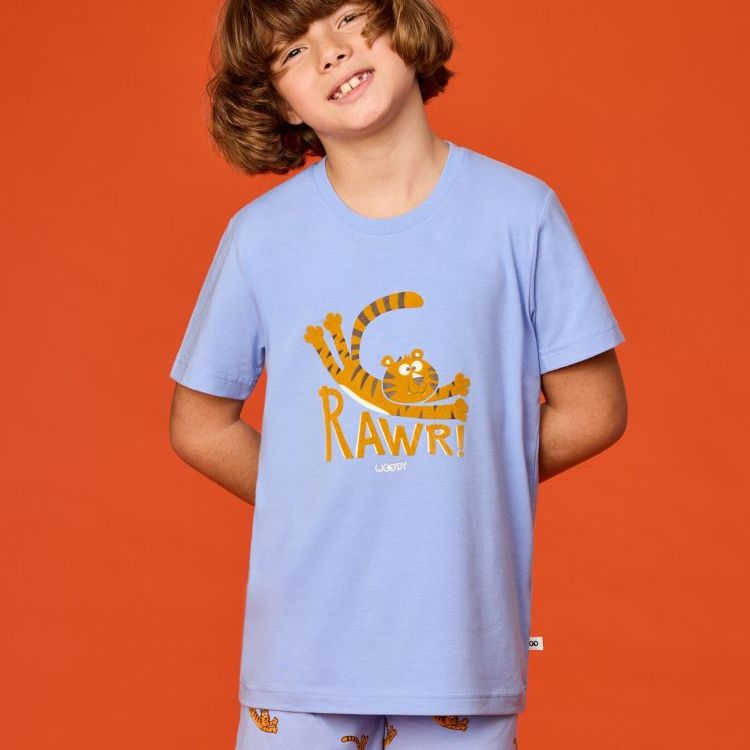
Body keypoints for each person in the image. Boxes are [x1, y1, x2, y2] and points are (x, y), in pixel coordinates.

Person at [168, 1, 628, 747]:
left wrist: (454, 475)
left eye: (349, 16)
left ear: (403, 25)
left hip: (459, 646)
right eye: (291, 52)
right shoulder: (261, 238)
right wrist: (314, 487)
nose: (330, 51)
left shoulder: (520, 214)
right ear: (277, 103)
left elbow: (593, 410)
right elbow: (199, 423)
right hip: (304, 652)